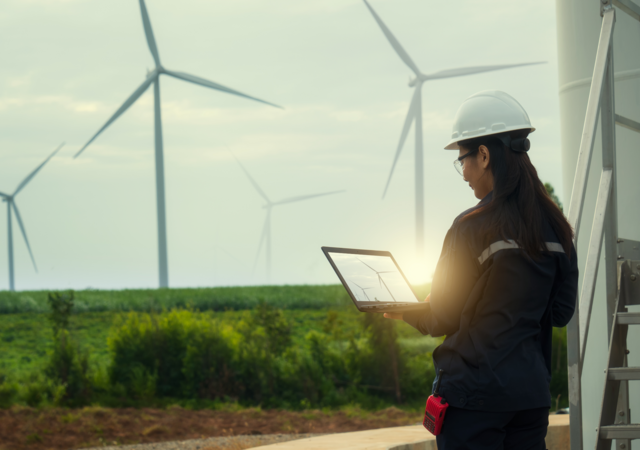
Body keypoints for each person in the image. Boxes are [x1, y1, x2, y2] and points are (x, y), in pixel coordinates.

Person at [384, 90, 578, 449]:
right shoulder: (557, 228)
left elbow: (441, 317)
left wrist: (405, 310)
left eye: (463, 161)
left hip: (473, 398)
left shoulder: (470, 228)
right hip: (530, 398)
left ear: (485, 155)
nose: (464, 175)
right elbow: (561, 313)